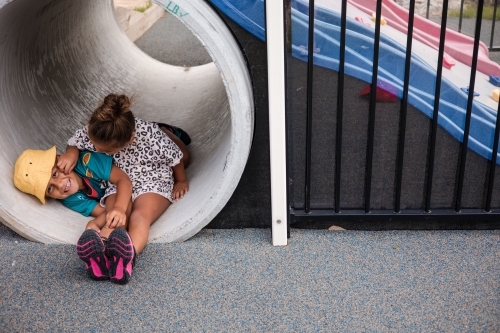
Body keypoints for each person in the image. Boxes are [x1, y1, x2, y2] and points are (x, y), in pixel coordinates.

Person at [57, 93, 191, 285]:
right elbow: (75, 141)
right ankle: (100, 254)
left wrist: (180, 180)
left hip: (153, 179)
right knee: (115, 214)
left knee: (139, 216)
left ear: (130, 139)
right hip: (117, 183)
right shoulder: (98, 130)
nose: (100, 152)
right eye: (97, 148)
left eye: (106, 152)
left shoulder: (150, 134)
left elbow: (175, 157)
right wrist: (71, 153)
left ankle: (127, 257)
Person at [13, 146, 133, 281]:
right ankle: (108, 259)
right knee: (116, 210)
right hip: (117, 203)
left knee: (115, 199)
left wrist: (118, 209)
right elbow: (105, 212)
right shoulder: (69, 199)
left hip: (133, 180)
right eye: (50, 188)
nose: (60, 185)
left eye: (54, 174)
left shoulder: (86, 161)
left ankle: (104, 245)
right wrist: (94, 222)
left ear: (60, 159)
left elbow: (123, 180)